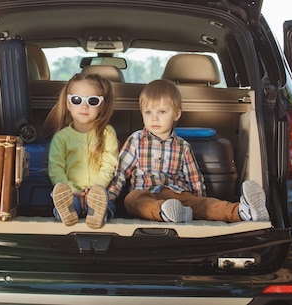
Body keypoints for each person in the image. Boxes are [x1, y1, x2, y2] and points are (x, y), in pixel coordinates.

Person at [108, 79, 269, 223]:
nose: (154, 118)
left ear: (176, 114)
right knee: (132, 200)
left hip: (178, 193)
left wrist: (200, 203)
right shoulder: (136, 140)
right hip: (144, 192)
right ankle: (165, 212)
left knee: (204, 205)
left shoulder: (182, 146)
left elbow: (194, 178)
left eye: (162, 112)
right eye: (148, 112)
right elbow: (120, 173)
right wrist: (110, 198)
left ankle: (243, 211)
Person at [45, 73, 119, 229]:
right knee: (64, 200)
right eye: (77, 100)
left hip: (99, 193)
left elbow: (109, 165)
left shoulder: (107, 133)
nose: (84, 106)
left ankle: (98, 213)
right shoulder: (61, 138)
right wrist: (73, 191)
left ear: (102, 105)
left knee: (106, 203)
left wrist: (96, 189)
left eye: (92, 101)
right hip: (71, 193)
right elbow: (56, 170)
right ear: (68, 104)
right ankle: (67, 211)